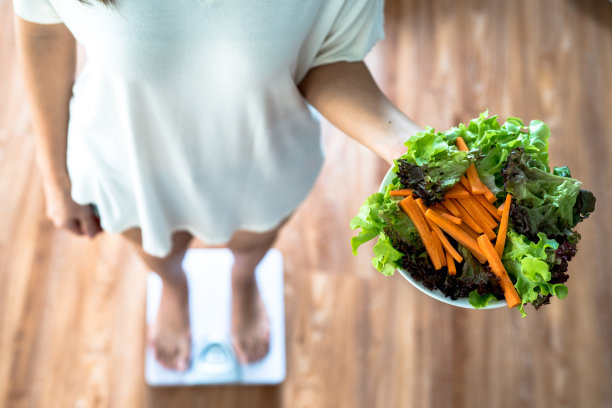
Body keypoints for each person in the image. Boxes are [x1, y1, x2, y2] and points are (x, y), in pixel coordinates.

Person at [13, 0, 422, 371]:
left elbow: (326, 57)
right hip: (127, 159)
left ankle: (243, 284)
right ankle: (173, 289)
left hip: (262, 156)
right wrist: (55, 178)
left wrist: (404, 142)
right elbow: (41, 30)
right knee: (159, 252)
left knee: (251, 244)